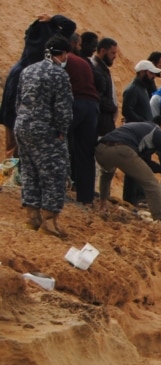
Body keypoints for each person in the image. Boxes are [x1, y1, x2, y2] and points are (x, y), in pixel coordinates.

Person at [15, 34, 73, 237]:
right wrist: (61, 132)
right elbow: (63, 109)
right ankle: (49, 221)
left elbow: (19, 100)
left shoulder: (28, 70)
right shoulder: (59, 75)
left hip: (22, 126)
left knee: (30, 171)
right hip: (45, 130)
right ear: (64, 54)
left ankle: (32, 218)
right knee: (53, 174)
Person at [2, 13, 76, 159]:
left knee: (11, 151)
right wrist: (54, 19)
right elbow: (70, 26)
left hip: (13, 105)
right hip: (28, 118)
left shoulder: (30, 42)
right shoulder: (47, 54)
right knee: (24, 154)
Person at [65, 33, 100, 206]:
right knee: (86, 153)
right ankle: (86, 198)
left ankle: (58, 189)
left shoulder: (66, 58)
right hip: (92, 106)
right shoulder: (84, 62)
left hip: (76, 102)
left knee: (57, 142)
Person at [122, 60, 161, 206]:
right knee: (133, 165)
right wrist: (143, 123)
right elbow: (127, 110)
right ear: (143, 72)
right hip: (135, 134)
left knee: (141, 164)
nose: (153, 77)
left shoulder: (143, 89)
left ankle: (138, 196)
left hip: (142, 134)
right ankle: (131, 198)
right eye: (151, 73)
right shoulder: (132, 89)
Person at [90, 37, 118, 137]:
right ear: (102, 51)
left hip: (105, 122)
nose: (115, 56)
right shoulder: (96, 69)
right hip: (100, 124)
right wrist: (112, 107)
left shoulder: (102, 68)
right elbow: (98, 96)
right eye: (112, 53)